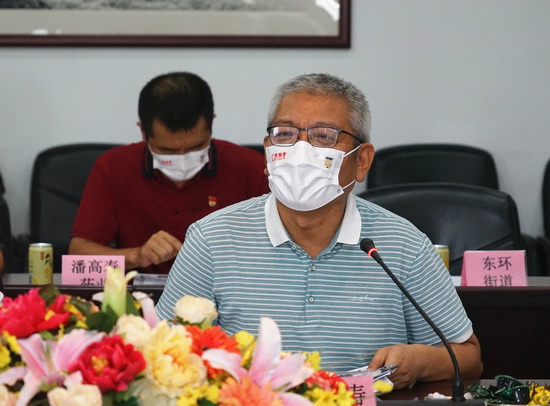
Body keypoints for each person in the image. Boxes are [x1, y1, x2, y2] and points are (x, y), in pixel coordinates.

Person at [155, 73, 483, 388]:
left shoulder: (403, 244)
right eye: (285, 134)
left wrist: (420, 361)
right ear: (267, 152)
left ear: (362, 161)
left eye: (324, 136)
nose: (300, 152)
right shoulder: (211, 239)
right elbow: (161, 353)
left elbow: (469, 357)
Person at [69, 72, 270, 274]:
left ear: (211, 124)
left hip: (225, 290)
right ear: (143, 131)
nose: (182, 159)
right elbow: (78, 264)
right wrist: (137, 256)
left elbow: (280, 251)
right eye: (167, 150)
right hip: (139, 291)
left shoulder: (251, 167)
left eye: (195, 147)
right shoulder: (113, 167)